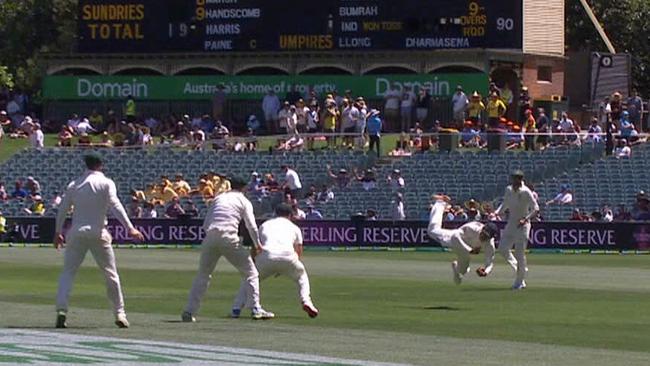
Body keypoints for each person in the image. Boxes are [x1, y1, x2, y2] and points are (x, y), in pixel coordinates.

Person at [53, 153, 144, 328]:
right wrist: (130, 228)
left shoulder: (75, 184)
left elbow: (63, 209)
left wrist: (58, 231)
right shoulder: (106, 183)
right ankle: (120, 313)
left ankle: (61, 311)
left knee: (68, 273)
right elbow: (115, 206)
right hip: (98, 232)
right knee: (111, 274)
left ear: (86, 165)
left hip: (77, 232)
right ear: (100, 165)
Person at [182, 176, 274, 322]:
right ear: (244, 188)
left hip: (210, 237)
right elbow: (251, 226)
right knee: (251, 273)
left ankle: (189, 310)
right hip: (229, 237)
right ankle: (255, 308)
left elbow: (206, 224)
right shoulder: (244, 201)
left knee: (203, 275)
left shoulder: (219, 198)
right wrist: (257, 245)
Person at [232, 204, 319, 318]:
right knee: (301, 277)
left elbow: (256, 246)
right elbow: (298, 251)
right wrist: (286, 267)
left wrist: (253, 262)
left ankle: (236, 308)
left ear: (275, 213)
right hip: (289, 257)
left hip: (266, 256)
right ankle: (306, 301)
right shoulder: (294, 227)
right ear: (290, 215)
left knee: (250, 279)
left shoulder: (265, 225)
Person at [427, 195, 503, 284]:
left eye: (486, 236)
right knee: (432, 231)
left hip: (465, 251)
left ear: (490, 237)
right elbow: (456, 236)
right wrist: (469, 250)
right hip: (455, 239)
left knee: (463, 271)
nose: (483, 237)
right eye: (483, 233)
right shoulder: (473, 227)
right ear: (483, 229)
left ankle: (456, 267)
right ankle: (441, 203)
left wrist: (486, 271)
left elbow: (489, 262)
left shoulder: (490, 244)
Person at [494, 170, 540, 290]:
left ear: (520, 179)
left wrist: (525, 219)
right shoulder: (508, 189)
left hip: (523, 225)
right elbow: (505, 204)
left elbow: (536, 208)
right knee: (502, 249)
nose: (515, 181)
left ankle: (519, 282)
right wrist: (496, 213)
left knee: (520, 254)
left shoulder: (526, 191)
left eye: (517, 179)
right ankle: (521, 269)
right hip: (511, 223)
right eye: (513, 178)